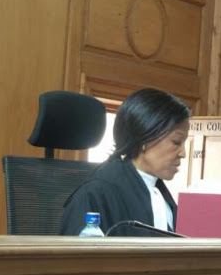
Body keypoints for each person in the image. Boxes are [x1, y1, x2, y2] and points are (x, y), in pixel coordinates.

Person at [60, 88, 191, 236]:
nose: (183, 153)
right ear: (146, 138)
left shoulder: (158, 191)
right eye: (176, 142)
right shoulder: (94, 194)